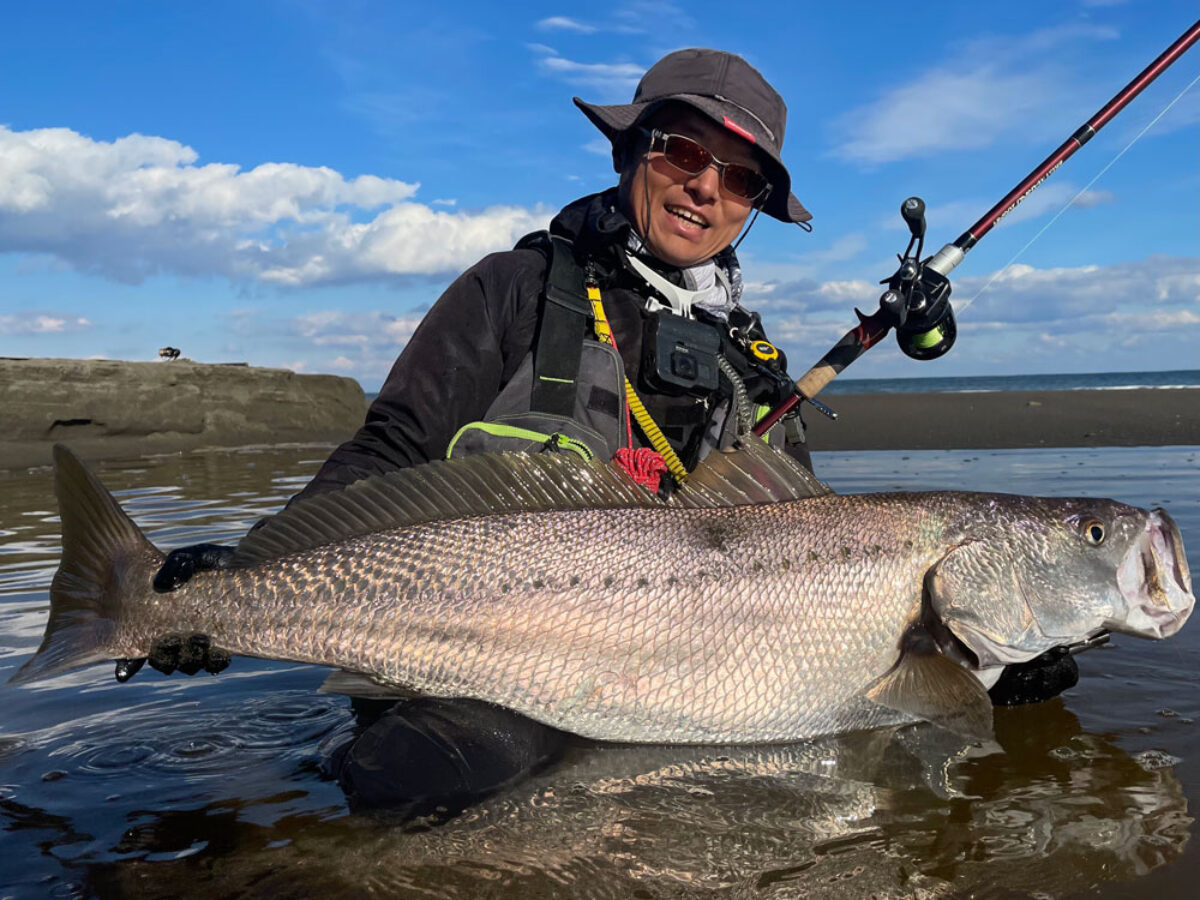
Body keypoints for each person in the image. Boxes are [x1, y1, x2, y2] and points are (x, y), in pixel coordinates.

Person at [148, 48, 1075, 817]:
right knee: (430, 788)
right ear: (632, 150)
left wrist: (977, 654)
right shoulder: (510, 292)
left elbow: (808, 542)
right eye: (681, 150)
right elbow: (391, 448)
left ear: (755, 205)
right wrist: (244, 573)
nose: (704, 188)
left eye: (740, 176)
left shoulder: (750, 367)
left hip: (682, 679)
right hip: (485, 663)